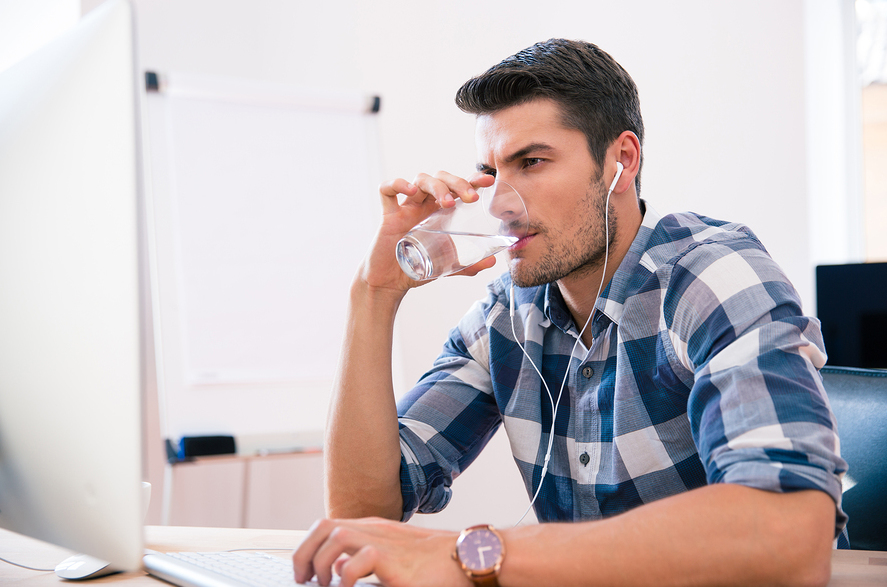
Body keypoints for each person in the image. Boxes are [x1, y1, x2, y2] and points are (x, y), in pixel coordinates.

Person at [292, 39, 848, 587]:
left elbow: (789, 535)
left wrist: (477, 555)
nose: (500, 204)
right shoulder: (507, 317)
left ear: (620, 162)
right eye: (491, 171)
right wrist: (375, 290)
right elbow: (364, 511)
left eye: (531, 162)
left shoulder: (709, 278)